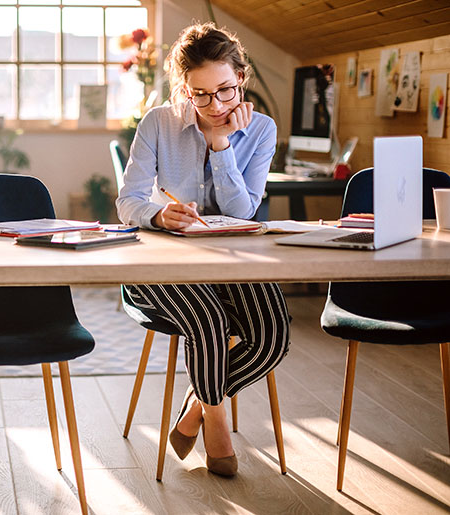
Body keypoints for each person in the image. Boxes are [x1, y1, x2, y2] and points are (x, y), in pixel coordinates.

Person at [116, 22, 290, 477]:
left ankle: (196, 404)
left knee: (272, 336)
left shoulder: (262, 130)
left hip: (232, 262)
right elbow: (127, 201)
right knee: (209, 322)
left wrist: (220, 145)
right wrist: (158, 215)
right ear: (184, 90)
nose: (216, 106)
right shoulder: (159, 122)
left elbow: (244, 212)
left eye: (226, 91)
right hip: (162, 264)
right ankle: (217, 423)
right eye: (201, 95)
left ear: (242, 80)